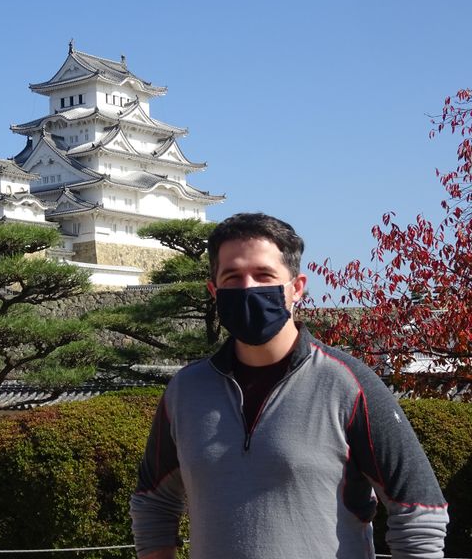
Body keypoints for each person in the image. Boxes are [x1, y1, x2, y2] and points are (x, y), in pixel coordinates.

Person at [130, 213, 448, 559]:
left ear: (296, 288)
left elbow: (419, 511)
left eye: (264, 275)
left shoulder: (348, 384)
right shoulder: (185, 391)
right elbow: (153, 503)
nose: (248, 288)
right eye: (232, 277)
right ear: (214, 291)